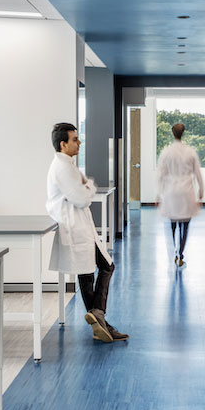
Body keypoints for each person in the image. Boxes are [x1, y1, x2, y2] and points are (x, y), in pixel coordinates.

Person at [46, 123, 128, 343]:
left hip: (78, 226)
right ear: (63, 144)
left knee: (86, 273)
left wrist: (85, 186)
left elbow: (81, 192)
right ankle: (98, 315)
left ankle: (99, 321)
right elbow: (82, 198)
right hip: (76, 227)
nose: (79, 143)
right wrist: (89, 186)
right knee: (106, 266)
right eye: (74, 139)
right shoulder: (63, 167)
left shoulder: (67, 165)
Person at [156, 123, 204, 268]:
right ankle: (181, 252)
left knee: (173, 223)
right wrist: (201, 191)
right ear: (183, 133)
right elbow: (197, 173)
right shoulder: (190, 152)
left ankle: (175, 251)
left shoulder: (166, 152)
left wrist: (158, 194)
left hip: (171, 192)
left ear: (172, 133)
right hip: (187, 192)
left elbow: (161, 175)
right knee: (185, 225)